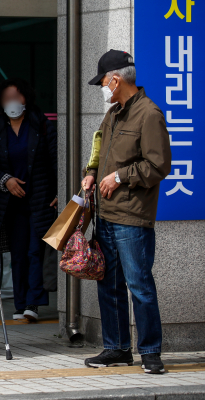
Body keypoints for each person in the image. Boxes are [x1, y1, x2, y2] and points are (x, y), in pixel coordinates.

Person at [81, 50, 171, 374]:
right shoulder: (113, 114)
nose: (101, 88)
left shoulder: (149, 114)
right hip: (106, 215)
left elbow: (158, 165)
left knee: (139, 285)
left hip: (132, 217)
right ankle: (117, 348)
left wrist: (119, 177)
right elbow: (99, 150)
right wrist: (92, 172)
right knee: (109, 285)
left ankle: (150, 351)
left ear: (116, 80)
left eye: (103, 82)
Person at [0, 78, 57, 323]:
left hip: (40, 199)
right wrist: (6, 180)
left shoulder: (41, 124)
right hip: (11, 203)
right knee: (17, 253)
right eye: (7, 98)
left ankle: (33, 303)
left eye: (16, 97)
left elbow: (56, 159)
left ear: (26, 98)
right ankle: (20, 302)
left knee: (36, 251)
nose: (12, 102)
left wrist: (59, 191)